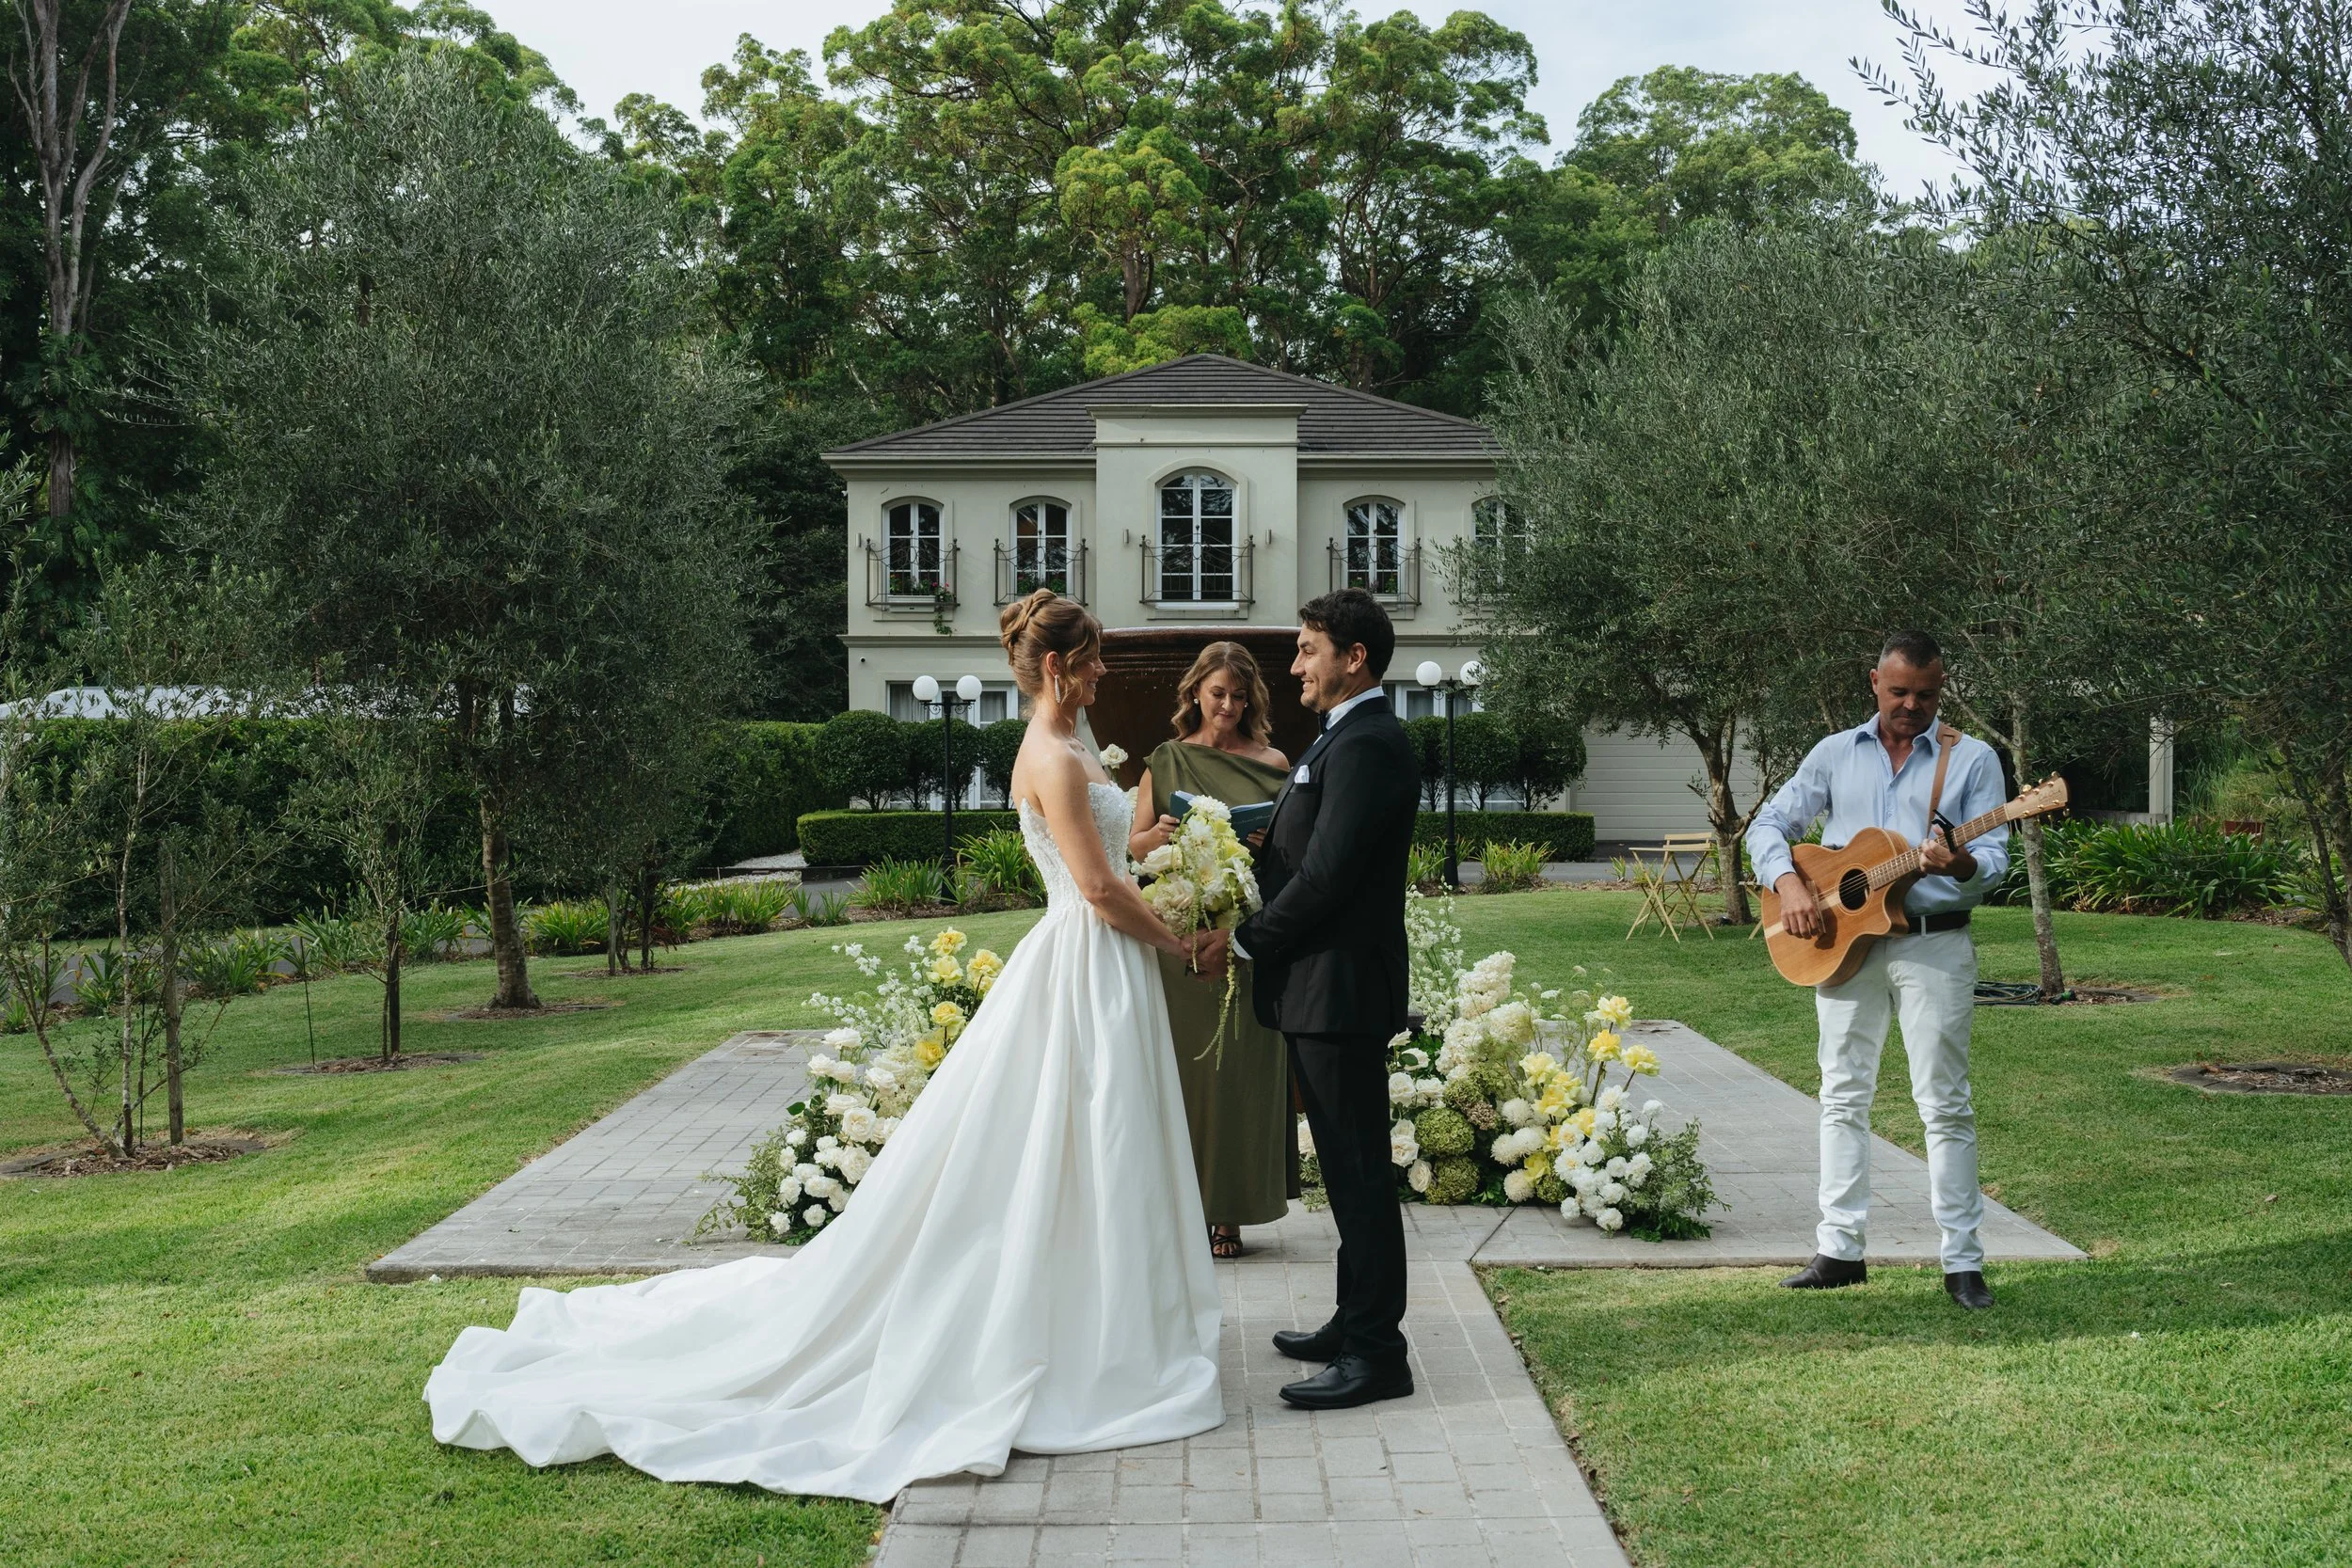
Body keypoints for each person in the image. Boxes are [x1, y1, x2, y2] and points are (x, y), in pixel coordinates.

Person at [424, 589, 1225, 1499]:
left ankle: (1114, 1319)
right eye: (1091, 658)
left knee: (1096, 1138)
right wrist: (1180, 942)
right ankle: (1076, 1335)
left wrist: (1182, 842)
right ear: (1055, 666)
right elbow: (1092, 888)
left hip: (1100, 963)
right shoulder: (1048, 750)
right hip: (1086, 961)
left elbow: (1112, 855)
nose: (1102, 671)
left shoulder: (1078, 743)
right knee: (1075, 1129)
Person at [1198, 588, 1419, 1410]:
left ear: (1351, 656)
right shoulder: (1342, 738)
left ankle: (1377, 1353)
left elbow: (1331, 876)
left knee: (1358, 1171)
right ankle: (1351, 1318)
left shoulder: (1367, 743)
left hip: (1341, 987)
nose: (1293, 666)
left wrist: (1247, 939)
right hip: (1321, 987)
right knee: (1345, 1164)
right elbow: (1315, 850)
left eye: (1306, 650)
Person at [1745, 630, 2011, 1311]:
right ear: (1874, 682)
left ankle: (1963, 1261)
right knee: (1841, 1094)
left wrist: (1962, 864)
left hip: (1934, 943)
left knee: (1944, 1102)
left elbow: (1999, 860)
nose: (1911, 706)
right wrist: (1792, 885)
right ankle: (1839, 1250)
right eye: (1899, 692)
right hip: (1844, 945)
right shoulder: (1836, 753)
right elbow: (1767, 825)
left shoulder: (1973, 760)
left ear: (1941, 688)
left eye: (1925, 695)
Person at [1129, 642, 1295, 1259]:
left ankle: (1231, 1212)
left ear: (1251, 698)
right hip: (1179, 929)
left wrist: (1265, 836)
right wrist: (1158, 834)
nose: (1227, 705)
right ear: (1196, 691)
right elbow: (1134, 848)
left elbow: (1294, 853)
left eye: (1238, 694)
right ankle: (1183, 1208)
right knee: (1185, 1076)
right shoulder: (1165, 761)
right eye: (1217, 692)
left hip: (1244, 934)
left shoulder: (1273, 760)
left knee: (1237, 1074)